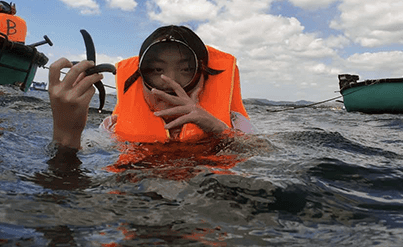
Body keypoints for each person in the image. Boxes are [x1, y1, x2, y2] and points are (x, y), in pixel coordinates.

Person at [48, 25, 253, 153]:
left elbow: (260, 154)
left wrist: (217, 129)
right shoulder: (113, 127)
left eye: (186, 69)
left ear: (203, 78)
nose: (168, 81)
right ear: (140, 77)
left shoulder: (233, 123)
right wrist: (66, 131)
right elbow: (74, 172)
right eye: (156, 69)